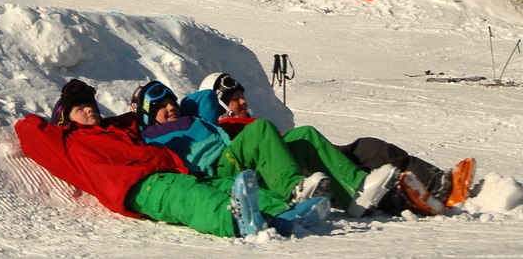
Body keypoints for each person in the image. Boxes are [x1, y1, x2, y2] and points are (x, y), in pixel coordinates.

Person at [14, 78, 322, 239]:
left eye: (90, 104)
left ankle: (283, 214)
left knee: (223, 182)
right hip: (138, 186)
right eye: (79, 108)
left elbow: (147, 118)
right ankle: (235, 219)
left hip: (170, 169)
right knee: (190, 197)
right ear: (64, 118)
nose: (89, 109)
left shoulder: (115, 130)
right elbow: (28, 130)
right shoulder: (67, 141)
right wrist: (61, 116)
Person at [199, 71, 476, 216]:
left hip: (307, 157)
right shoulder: (222, 132)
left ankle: (437, 181)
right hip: (286, 173)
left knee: (371, 147)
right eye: (235, 99)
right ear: (219, 104)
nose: (244, 102)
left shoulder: (252, 124)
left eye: (242, 96)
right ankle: (396, 198)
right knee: (363, 157)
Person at [131, 79, 397, 217]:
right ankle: (293, 189)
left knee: (304, 135)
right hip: (218, 168)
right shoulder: (152, 137)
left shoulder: (195, 119)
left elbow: (207, 97)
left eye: (171, 102)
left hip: (233, 155)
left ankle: (355, 191)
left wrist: (185, 107)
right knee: (260, 129)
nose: (170, 108)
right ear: (147, 114)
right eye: (162, 107)